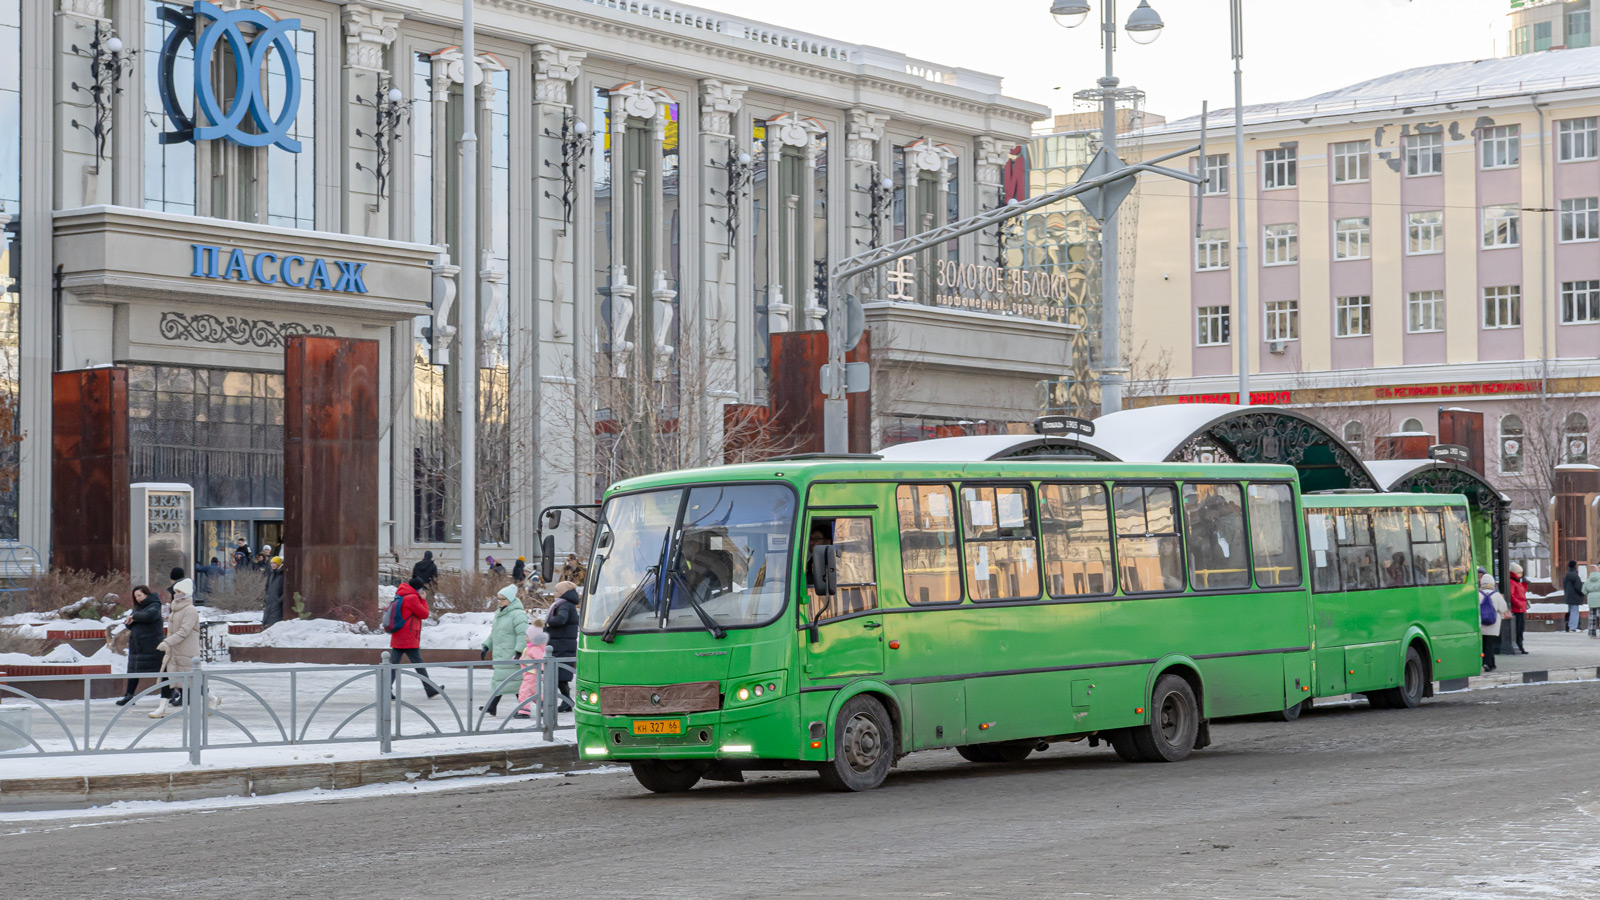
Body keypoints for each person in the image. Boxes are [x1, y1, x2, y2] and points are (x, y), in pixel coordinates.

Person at [149, 579, 204, 718]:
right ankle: (162, 707)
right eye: (175, 592)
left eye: (179, 591)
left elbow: (184, 631)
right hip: (174, 650)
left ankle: (210, 699)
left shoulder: (190, 610)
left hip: (187, 651)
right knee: (168, 677)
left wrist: (167, 642)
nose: (176, 594)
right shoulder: (175, 609)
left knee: (191, 681)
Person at [479, 584, 530, 717]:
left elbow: (523, 634)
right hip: (500, 653)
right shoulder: (500, 614)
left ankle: (527, 708)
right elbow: (494, 633)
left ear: (511, 600)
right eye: (498, 599)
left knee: (514, 682)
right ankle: (492, 706)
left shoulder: (518, 615)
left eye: (502, 599)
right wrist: (486, 646)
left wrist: (519, 652)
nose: (499, 602)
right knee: (503, 680)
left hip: (511, 654)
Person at [389, 577, 440, 699]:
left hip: (399, 635)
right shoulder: (412, 598)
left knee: (393, 665)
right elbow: (424, 614)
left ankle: (386, 690)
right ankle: (430, 689)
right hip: (408, 637)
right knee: (417, 663)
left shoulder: (401, 595)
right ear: (418, 588)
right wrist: (423, 600)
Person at [118, 585, 162, 706]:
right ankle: (129, 695)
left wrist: (134, 617)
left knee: (162, 671)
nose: (137, 598)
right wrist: (128, 622)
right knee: (133, 671)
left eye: (139, 595)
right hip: (137, 648)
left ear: (146, 594)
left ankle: (172, 694)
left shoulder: (155, 605)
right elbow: (133, 622)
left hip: (152, 646)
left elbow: (149, 616)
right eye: (135, 596)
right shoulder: (138, 608)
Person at [545, 581, 581, 712]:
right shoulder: (566, 604)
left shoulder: (564, 605)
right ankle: (567, 701)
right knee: (559, 677)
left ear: (563, 593)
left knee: (556, 676)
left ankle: (562, 702)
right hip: (562, 644)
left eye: (556, 590)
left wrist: (549, 621)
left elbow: (561, 619)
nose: (554, 593)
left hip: (561, 645)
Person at [515, 625, 549, 719]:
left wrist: (542, 671)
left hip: (532, 674)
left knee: (524, 691)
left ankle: (524, 711)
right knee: (534, 694)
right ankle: (545, 706)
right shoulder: (530, 647)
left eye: (527, 636)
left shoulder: (535, 648)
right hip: (529, 674)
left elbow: (541, 660)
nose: (525, 638)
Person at [1479, 573, 1511, 673]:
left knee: (1483, 645)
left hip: (1481, 623)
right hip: (1493, 624)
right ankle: (1489, 663)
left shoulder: (1478, 594)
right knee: (1490, 645)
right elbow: (1503, 608)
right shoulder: (1496, 595)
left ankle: (1484, 662)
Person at [1507, 562, 1529, 654]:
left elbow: (1521, 593)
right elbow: (1512, 595)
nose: (1520, 575)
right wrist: (1519, 604)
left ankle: (1520, 645)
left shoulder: (1516, 582)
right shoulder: (1512, 582)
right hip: (1517, 609)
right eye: (1519, 573)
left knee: (1520, 629)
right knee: (1518, 629)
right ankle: (1519, 646)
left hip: (1520, 608)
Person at [262, 556, 286, 627]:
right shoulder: (271, 574)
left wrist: (279, 600)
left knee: (274, 623)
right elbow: (267, 587)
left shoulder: (282, 575)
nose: (272, 565)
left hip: (277, 603)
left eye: (274, 563)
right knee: (266, 622)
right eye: (271, 563)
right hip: (270, 602)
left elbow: (285, 590)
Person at [1562, 560, 1585, 632]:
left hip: (1569, 596)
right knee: (1575, 612)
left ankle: (1570, 626)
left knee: (1571, 611)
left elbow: (1564, 586)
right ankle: (1573, 627)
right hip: (1575, 597)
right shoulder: (1575, 576)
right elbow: (1579, 588)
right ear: (1575, 566)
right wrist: (1583, 593)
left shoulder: (1567, 576)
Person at [1585, 562, 1600, 638]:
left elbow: (1584, 590)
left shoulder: (1588, 580)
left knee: (1592, 616)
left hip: (1591, 599)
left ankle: (1592, 633)